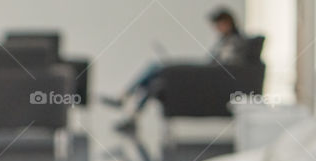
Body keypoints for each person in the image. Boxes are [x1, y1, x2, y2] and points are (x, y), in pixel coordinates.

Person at [103, 7, 251, 133]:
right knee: (156, 82)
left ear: (227, 23)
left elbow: (222, 67)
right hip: (205, 76)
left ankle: (124, 98)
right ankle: (131, 114)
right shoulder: (224, 41)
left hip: (206, 80)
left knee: (156, 68)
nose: (216, 29)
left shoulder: (235, 42)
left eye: (218, 25)